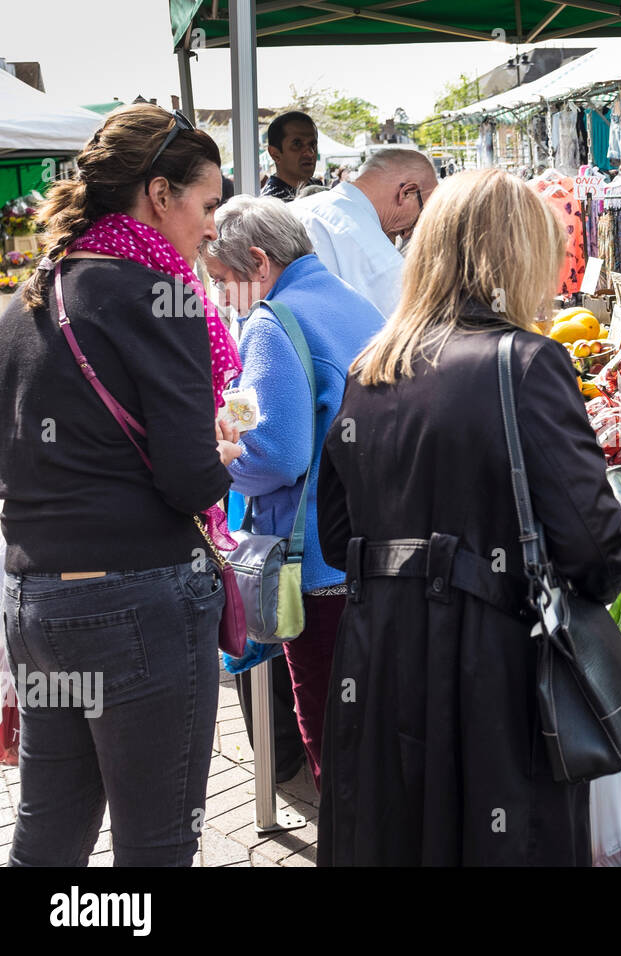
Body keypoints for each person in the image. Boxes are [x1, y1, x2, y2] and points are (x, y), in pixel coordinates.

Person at [315, 168, 621, 866]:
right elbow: (596, 550)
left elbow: (340, 539)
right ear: (518, 257)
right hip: (490, 669)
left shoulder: (370, 368)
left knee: (394, 835)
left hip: (377, 662)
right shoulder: (524, 363)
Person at [0, 104, 241, 865]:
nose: (211, 229)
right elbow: (188, 478)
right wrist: (223, 451)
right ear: (160, 193)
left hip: (37, 602)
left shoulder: (28, 299)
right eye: (207, 206)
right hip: (138, 604)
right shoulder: (152, 294)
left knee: (48, 831)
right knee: (159, 839)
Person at [204, 196, 385, 791]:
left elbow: (274, 454)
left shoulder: (272, 321)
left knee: (331, 734)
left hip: (317, 565)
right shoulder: (353, 302)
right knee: (375, 725)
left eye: (224, 282)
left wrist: (224, 458)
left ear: (258, 261)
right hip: (375, 547)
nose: (224, 297)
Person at [291, 148, 438, 318]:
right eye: (422, 214)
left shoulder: (293, 209)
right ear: (407, 193)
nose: (407, 234)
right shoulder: (381, 259)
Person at [262, 111, 321, 201]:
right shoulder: (271, 207)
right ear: (275, 154)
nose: (310, 153)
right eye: (297, 144)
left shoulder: (318, 188)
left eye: (313, 144)